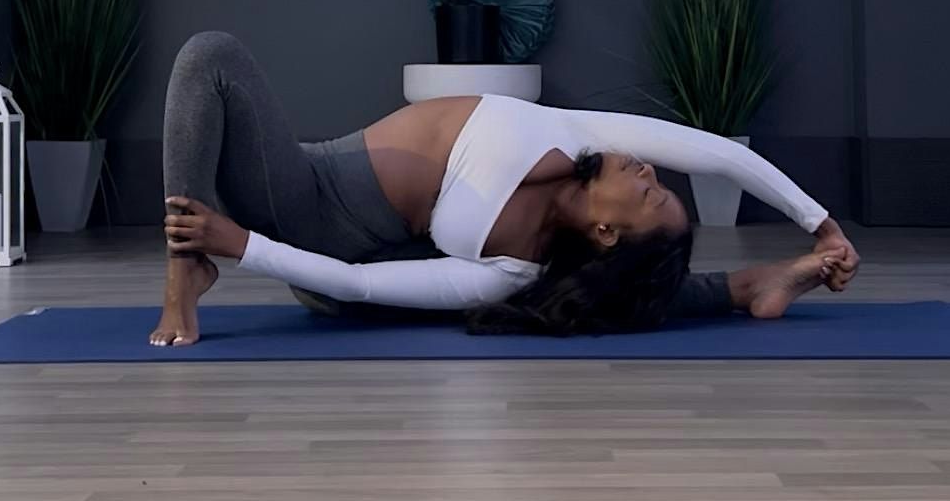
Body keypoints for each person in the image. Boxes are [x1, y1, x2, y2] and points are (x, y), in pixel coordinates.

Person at [151, 32, 860, 346]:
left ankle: (185, 269)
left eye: (651, 196)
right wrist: (819, 222)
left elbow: (356, 284)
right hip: (311, 180)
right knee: (598, 288)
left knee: (211, 55)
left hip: (315, 225)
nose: (651, 172)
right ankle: (748, 287)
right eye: (658, 181)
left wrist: (238, 244)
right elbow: (716, 152)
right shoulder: (577, 134)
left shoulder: (509, 269)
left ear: (606, 229)